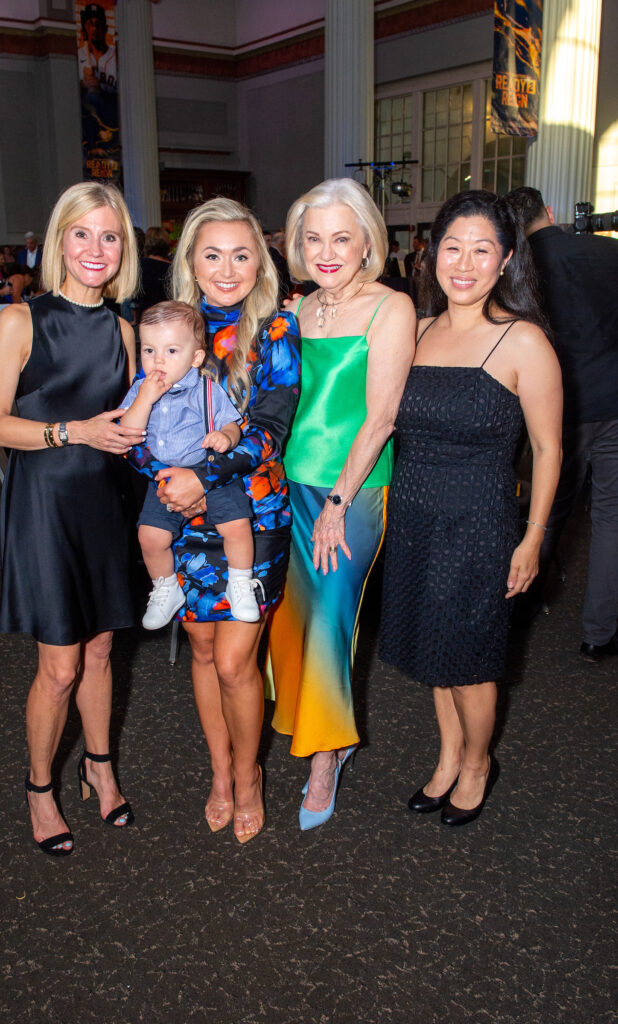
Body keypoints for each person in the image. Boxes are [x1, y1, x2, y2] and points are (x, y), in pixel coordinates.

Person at [380, 190, 562, 827]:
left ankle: (479, 761)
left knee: (470, 657)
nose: (464, 262)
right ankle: (449, 751)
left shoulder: (523, 342)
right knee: (434, 650)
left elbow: (547, 447)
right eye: (451, 247)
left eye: (481, 250)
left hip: (479, 523)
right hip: (413, 515)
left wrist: (533, 537)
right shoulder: (419, 330)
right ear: (431, 255)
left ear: (506, 259)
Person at [0, 182, 143, 857]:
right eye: (82, 234)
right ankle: (40, 786)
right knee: (60, 666)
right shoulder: (22, 320)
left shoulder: (126, 330)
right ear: (59, 242)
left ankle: (98, 767)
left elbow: (134, 424)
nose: (95, 249)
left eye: (109, 236)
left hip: (107, 501)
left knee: (102, 650)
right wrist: (71, 431)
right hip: (45, 506)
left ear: (123, 247)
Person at [266, 178, 416, 830]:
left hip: (348, 494)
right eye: (314, 238)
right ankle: (314, 725)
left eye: (341, 238)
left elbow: (381, 417)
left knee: (329, 618)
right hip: (285, 488)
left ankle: (326, 755)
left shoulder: (392, 308)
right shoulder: (298, 310)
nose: (327, 251)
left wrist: (336, 500)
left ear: (366, 244)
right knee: (291, 619)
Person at [158, 197, 300, 843]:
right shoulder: (167, 329)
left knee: (238, 659)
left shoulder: (273, 331)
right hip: (184, 515)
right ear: (190, 258)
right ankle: (219, 772)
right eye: (211, 253)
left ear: (260, 262)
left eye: (241, 254)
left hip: (257, 513)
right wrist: (160, 477)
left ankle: (249, 777)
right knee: (204, 647)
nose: (226, 267)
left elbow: (270, 427)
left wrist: (203, 475)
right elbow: (147, 415)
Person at [506, 186, 618, 663]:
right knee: (612, 519)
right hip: (614, 397)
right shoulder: (607, 251)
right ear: (549, 213)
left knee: (547, 510)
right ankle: (599, 633)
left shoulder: (521, 269)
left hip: (558, 407)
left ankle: (519, 614)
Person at [120, 300, 261, 627]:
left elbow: (233, 423)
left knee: (237, 527)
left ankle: (241, 583)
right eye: (149, 350)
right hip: (165, 481)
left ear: (196, 357)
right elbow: (128, 433)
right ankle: (166, 587)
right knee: (149, 537)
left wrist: (226, 437)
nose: (157, 361)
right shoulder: (140, 390)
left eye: (171, 351)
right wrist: (144, 398)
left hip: (212, 474)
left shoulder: (207, 390)